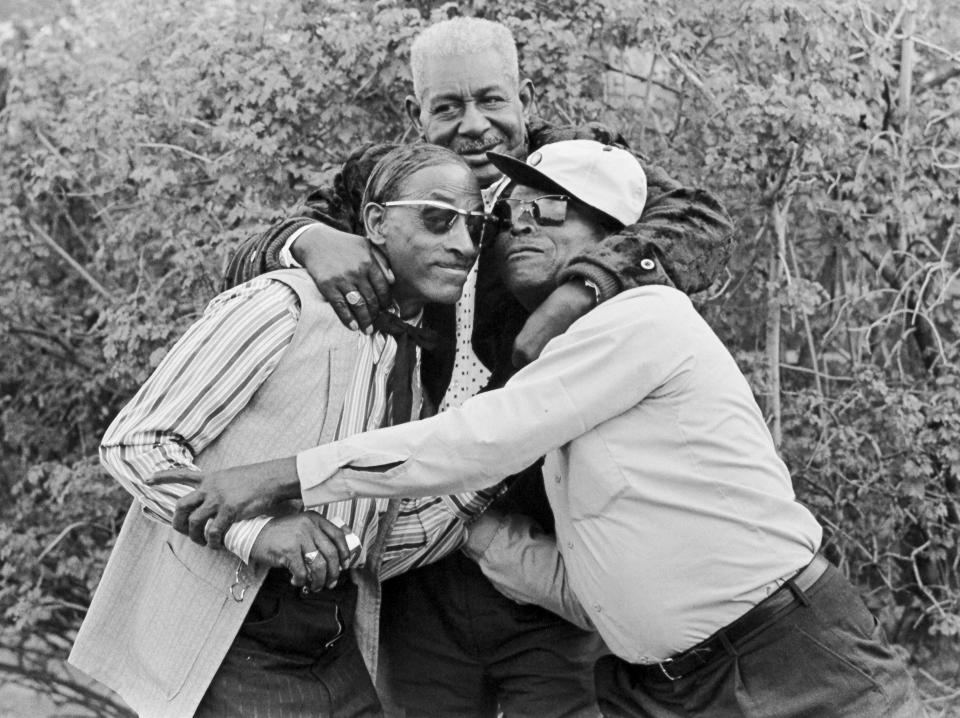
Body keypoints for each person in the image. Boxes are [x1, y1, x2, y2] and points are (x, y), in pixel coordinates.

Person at [157, 139, 928, 718]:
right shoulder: (550, 363)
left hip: (787, 658)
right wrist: (465, 530)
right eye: (513, 213)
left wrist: (281, 476)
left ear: (618, 236)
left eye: (550, 211)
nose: (518, 226)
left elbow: (480, 439)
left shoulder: (640, 318)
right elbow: (587, 575)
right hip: (663, 687)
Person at [225, 16, 733, 717]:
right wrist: (307, 240)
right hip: (410, 565)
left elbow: (701, 225)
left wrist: (583, 284)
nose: (475, 126)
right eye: (448, 107)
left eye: (492, 101)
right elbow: (246, 254)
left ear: (523, 99)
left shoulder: (571, 174)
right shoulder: (391, 182)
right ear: (418, 113)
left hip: (543, 545)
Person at [69, 143, 503, 718]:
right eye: (438, 217)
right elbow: (136, 443)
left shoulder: (415, 359)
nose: (464, 245)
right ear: (375, 221)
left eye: (475, 226)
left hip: (334, 644)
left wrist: (504, 453)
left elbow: (373, 548)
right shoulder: (281, 307)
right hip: (232, 636)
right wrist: (260, 531)